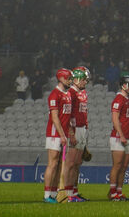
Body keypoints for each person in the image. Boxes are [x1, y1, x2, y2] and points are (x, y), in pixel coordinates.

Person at [43, 68, 75, 204]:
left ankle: (55, 193)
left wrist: (70, 134)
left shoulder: (67, 94)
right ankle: (46, 195)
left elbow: (67, 118)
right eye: (68, 78)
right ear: (61, 79)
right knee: (53, 163)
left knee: (60, 164)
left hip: (63, 134)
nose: (71, 81)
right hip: (54, 134)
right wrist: (62, 135)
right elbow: (55, 118)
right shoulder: (54, 95)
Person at [108, 75, 129, 202]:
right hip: (119, 137)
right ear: (123, 85)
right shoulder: (118, 99)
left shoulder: (128, 99)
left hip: (128, 136)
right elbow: (115, 119)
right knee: (117, 165)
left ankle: (119, 191)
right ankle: (113, 193)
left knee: (124, 166)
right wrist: (122, 135)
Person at [68, 67, 91, 201]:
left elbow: (84, 113)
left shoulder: (83, 93)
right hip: (75, 128)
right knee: (71, 163)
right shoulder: (71, 92)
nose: (85, 82)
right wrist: (71, 132)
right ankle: (68, 192)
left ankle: (74, 191)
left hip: (82, 128)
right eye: (83, 80)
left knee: (77, 163)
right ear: (76, 79)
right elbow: (68, 114)